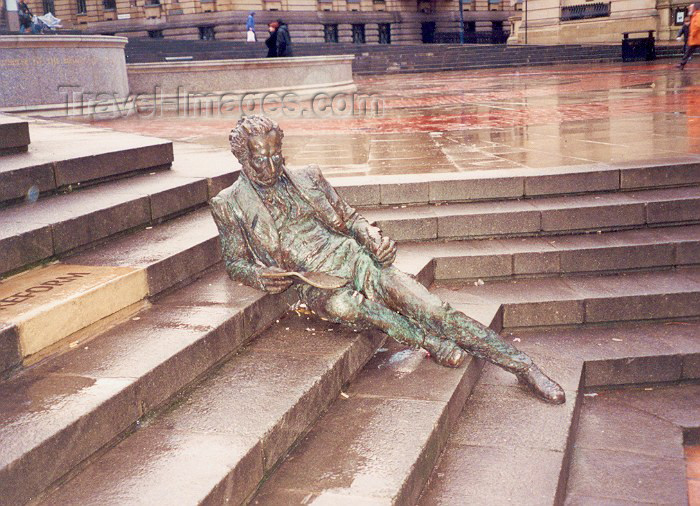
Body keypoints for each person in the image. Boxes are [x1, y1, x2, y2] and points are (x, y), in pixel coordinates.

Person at [209, 115, 566, 405]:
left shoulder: (309, 177)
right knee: (345, 307)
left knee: (433, 308)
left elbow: (350, 219)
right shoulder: (229, 203)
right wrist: (258, 276)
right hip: (313, 283)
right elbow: (235, 262)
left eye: (276, 154)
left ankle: (523, 366)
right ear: (242, 158)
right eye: (261, 158)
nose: (272, 164)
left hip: (356, 260)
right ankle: (427, 342)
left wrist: (372, 238)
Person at [679, 2, 700, 69]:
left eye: (690, 8)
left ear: (694, 8)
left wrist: (692, 34)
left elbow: (697, 26)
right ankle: (682, 64)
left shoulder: (698, 15)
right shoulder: (694, 15)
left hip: (696, 37)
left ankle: (682, 64)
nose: (689, 8)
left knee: (688, 51)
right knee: (688, 51)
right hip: (695, 38)